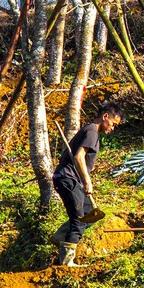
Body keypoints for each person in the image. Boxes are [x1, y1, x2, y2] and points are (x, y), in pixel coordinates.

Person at [52, 103, 125, 267]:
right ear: (105, 116)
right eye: (113, 124)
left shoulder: (91, 131)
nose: (112, 128)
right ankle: (66, 261)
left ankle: (61, 236)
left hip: (67, 178)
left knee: (90, 213)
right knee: (79, 220)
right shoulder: (92, 131)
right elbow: (79, 157)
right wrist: (87, 181)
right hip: (68, 178)